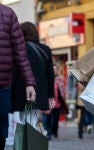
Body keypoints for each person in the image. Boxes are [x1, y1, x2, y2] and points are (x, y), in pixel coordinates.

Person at [0, 4, 36, 150]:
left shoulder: (8, 14)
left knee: (1, 132)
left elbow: (20, 54)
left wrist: (29, 82)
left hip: (2, 87)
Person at [11, 22, 55, 127]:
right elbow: (50, 74)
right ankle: (30, 141)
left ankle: (26, 142)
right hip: (39, 93)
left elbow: (13, 73)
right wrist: (51, 95)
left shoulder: (17, 49)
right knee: (32, 120)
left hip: (21, 92)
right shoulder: (45, 49)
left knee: (23, 120)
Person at [42, 65, 67, 139]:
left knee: (55, 119)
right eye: (53, 69)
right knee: (47, 118)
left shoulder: (60, 78)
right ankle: (48, 132)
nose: (54, 71)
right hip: (48, 102)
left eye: (55, 69)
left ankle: (54, 132)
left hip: (58, 102)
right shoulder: (47, 78)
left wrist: (64, 97)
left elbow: (63, 89)